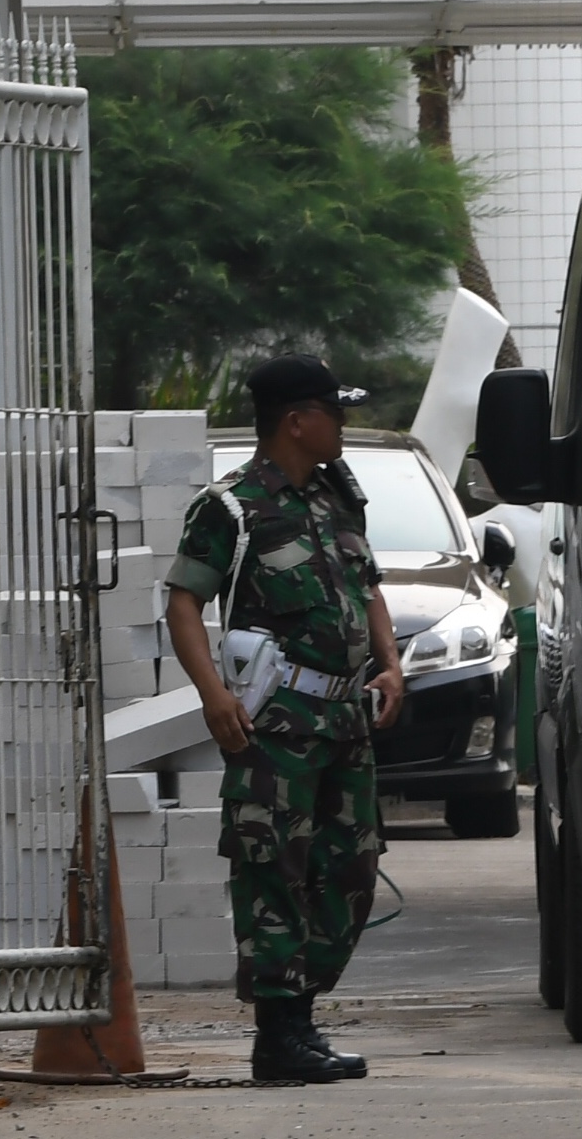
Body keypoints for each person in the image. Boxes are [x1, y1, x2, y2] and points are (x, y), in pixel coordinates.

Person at [161, 355, 406, 1084]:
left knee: (351, 871)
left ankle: (302, 1015)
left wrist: (389, 663)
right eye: (334, 411)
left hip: (344, 719)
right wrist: (213, 696)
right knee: (274, 871)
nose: (344, 424)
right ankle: (281, 1035)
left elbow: (368, 589)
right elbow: (182, 604)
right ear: (297, 421)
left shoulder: (337, 499)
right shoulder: (232, 507)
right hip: (276, 723)